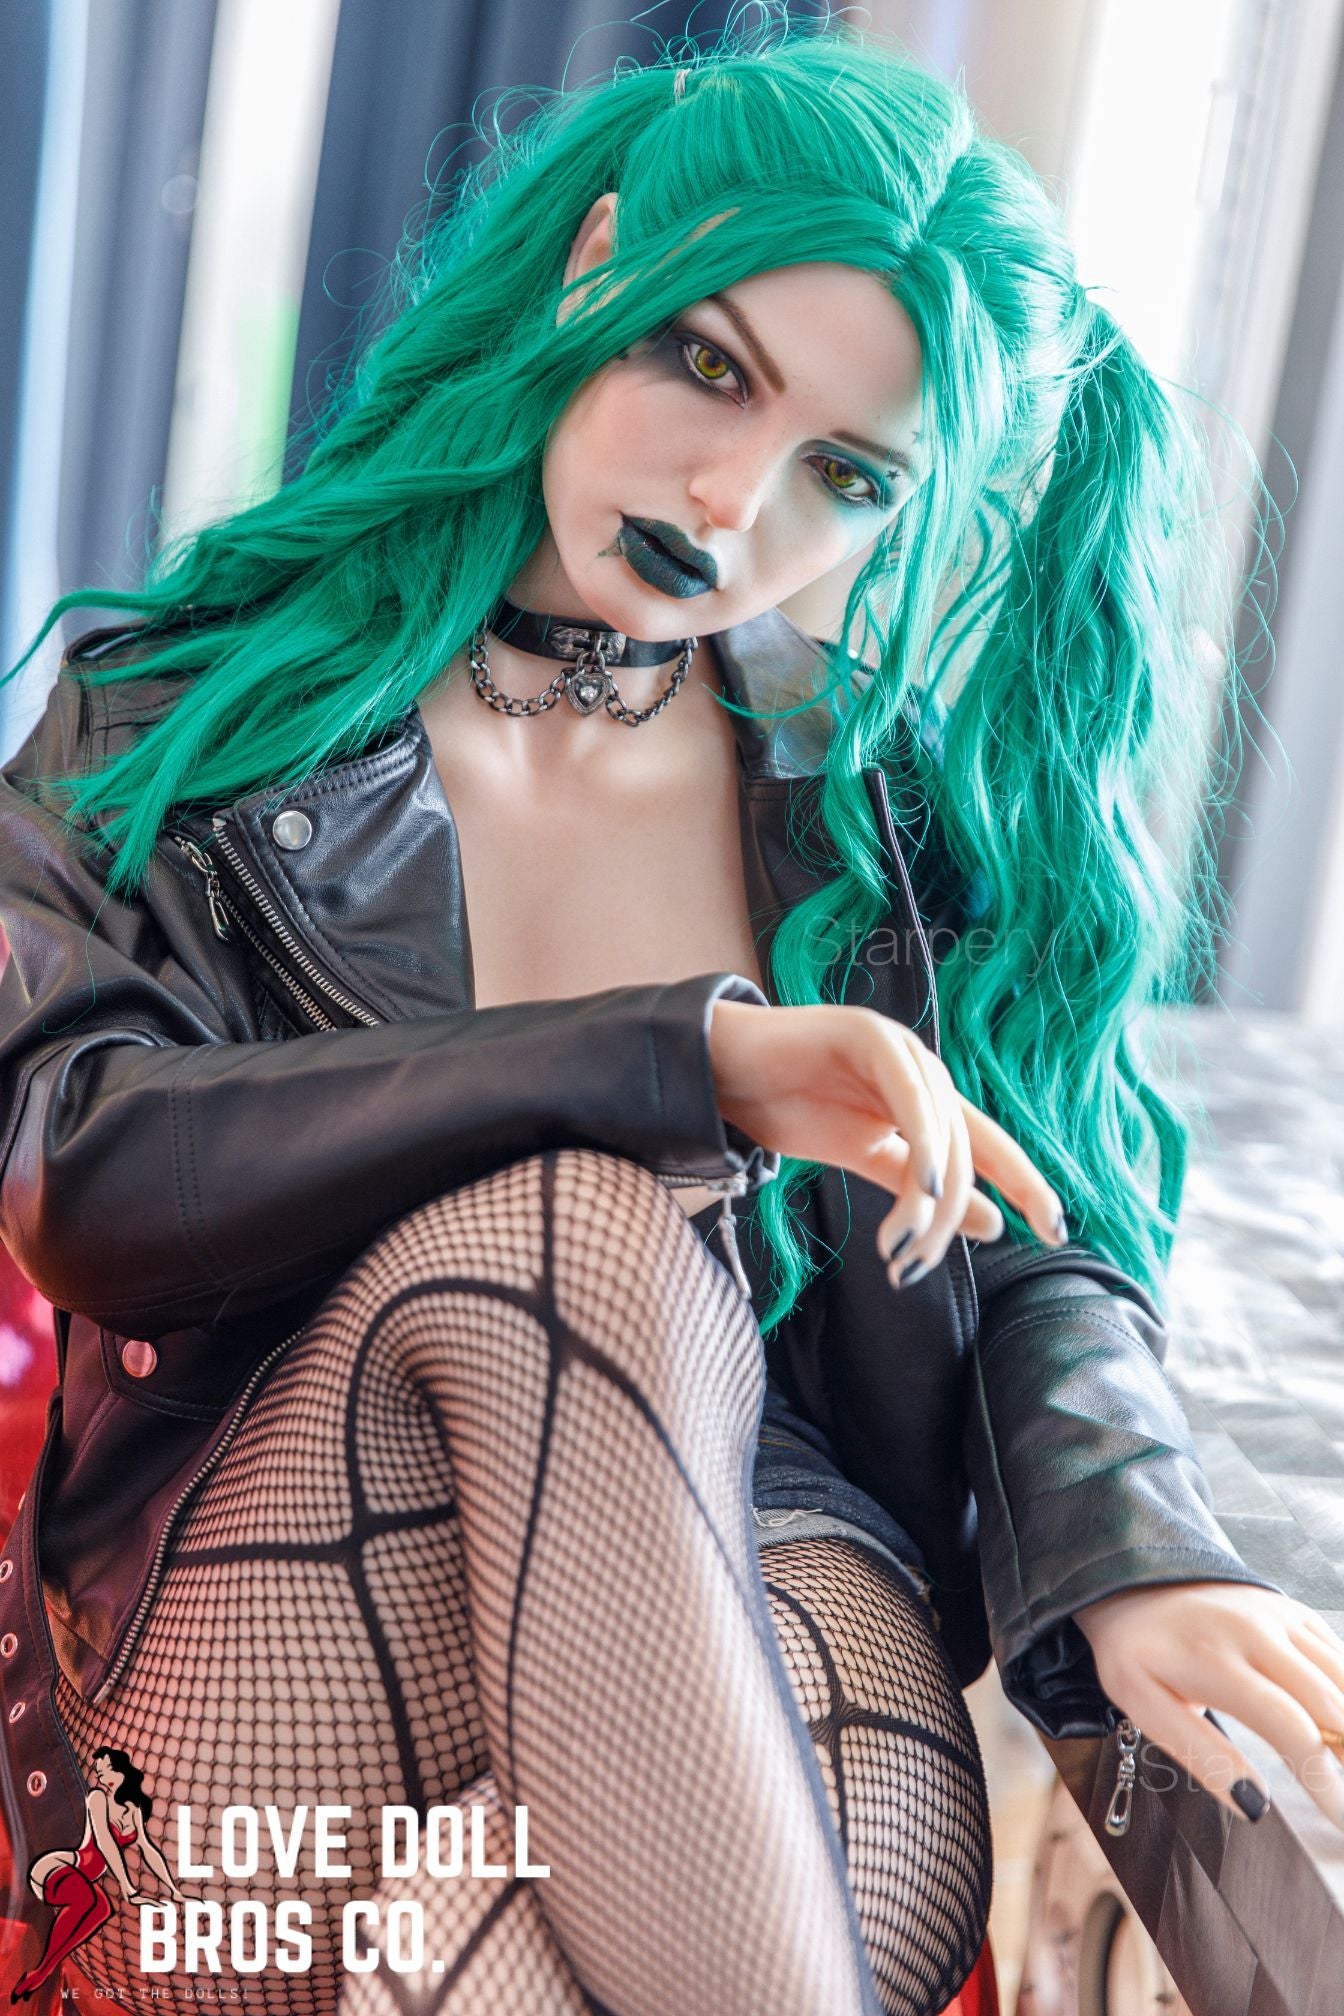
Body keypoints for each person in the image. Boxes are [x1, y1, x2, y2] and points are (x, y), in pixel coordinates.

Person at [1, 19, 1343, 2016]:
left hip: (765, 1557)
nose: (730, 498)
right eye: (705, 364)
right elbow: (83, 1164)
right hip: (285, 1579)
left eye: (843, 475)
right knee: (576, 1226)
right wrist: (681, 1064)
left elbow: (1034, 1225)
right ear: (593, 263)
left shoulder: (887, 815)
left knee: (499, 1967)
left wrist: (1131, 1541)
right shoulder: (172, 713)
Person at [9, 1746, 183, 2003]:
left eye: (105, 1770)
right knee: (87, 1899)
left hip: (80, 1878)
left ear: (121, 1772)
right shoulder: (98, 1799)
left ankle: (41, 1972)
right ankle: (41, 1973)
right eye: (99, 1772)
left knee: (101, 1908)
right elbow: (106, 1843)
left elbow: (148, 1850)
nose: (101, 1777)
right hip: (55, 1868)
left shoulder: (134, 1809)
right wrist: (128, 1889)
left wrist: (173, 1888)